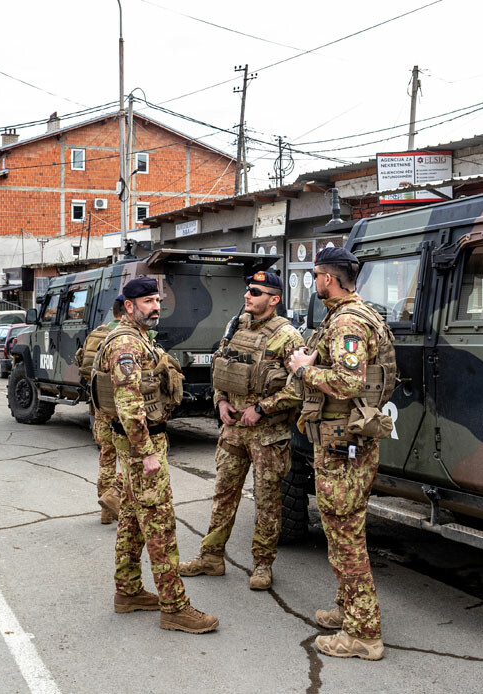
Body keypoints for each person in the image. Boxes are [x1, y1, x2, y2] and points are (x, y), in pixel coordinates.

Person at [287, 246, 396, 662]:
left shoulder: (348, 321)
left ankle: (364, 634)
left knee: (346, 537)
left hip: (340, 445)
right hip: (345, 441)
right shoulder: (357, 314)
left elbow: (347, 384)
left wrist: (301, 369)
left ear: (328, 279)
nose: (314, 283)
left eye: (315, 276)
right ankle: (348, 609)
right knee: (341, 531)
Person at [92, 277, 218, 634]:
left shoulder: (135, 337)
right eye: (147, 301)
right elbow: (129, 404)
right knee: (160, 524)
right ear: (129, 306)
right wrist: (145, 451)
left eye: (157, 300)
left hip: (135, 444)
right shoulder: (127, 344)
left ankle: (128, 591)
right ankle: (175, 607)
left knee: (132, 517)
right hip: (141, 446)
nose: (156, 306)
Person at [179, 270, 303, 591]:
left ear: (274, 300)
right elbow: (221, 369)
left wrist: (261, 409)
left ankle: (262, 565)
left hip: (267, 433)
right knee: (224, 493)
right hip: (233, 429)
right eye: (248, 290)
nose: (248, 296)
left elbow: (299, 388)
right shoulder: (235, 326)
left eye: (256, 292)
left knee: (267, 499)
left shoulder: (288, 337)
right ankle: (211, 556)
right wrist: (221, 403)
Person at [75, 294, 127, 524]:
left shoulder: (96, 334)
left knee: (106, 456)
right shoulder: (129, 336)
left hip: (99, 407)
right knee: (129, 459)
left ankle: (106, 512)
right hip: (124, 408)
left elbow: (81, 363)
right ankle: (120, 505)